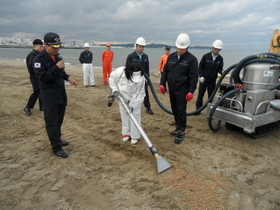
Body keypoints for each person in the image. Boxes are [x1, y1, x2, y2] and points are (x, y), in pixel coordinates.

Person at [33, 32, 78, 158]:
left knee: (59, 120)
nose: (57, 49)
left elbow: (61, 72)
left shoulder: (57, 57)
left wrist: (68, 78)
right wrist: (56, 67)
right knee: (51, 122)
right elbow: (42, 77)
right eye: (54, 46)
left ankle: (57, 139)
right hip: (49, 96)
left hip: (60, 94)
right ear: (46, 45)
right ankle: (56, 147)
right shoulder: (38, 59)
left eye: (58, 46)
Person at [160, 33, 198, 144]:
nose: (180, 50)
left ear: (187, 47)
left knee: (181, 111)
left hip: (183, 90)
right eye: (179, 48)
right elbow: (165, 71)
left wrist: (191, 91)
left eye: (183, 48)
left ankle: (181, 132)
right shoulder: (171, 57)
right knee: (175, 109)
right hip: (172, 89)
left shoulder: (192, 60)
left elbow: (194, 77)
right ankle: (178, 128)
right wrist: (162, 83)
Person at [109, 63, 145, 145]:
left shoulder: (142, 79)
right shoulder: (120, 72)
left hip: (134, 98)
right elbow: (111, 79)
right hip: (122, 96)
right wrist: (115, 90)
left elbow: (140, 94)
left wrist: (133, 103)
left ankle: (135, 136)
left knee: (134, 115)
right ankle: (126, 133)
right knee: (124, 114)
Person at [126, 37, 154, 115]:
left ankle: (148, 107)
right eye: (140, 47)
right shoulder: (131, 56)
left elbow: (147, 68)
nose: (141, 48)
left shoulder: (145, 57)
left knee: (145, 93)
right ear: (136, 46)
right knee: (133, 94)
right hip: (133, 79)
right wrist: (129, 78)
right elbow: (127, 68)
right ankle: (132, 107)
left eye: (143, 47)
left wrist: (147, 79)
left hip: (143, 79)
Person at [195, 40, 224, 115]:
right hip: (203, 80)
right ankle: (198, 110)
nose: (216, 50)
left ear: (220, 50)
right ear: (212, 47)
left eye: (218, 49)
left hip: (212, 80)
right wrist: (200, 76)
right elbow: (200, 67)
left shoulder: (220, 59)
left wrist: (222, 72)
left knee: (211, 97)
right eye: (215, 48)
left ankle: (210, 111)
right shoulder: (206, 56)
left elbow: (220, 69)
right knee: (200, 95)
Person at [23, 39, 45, 115]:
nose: (42, 48)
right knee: (37, 91)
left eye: (42, 46)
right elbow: (30, 67)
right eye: (40, 46)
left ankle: (42, 107)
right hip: (34, 76)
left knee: (42, 90)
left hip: (40, 76)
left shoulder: (39, 54)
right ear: (35, 45)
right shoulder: (32, 55)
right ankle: (28, 107)